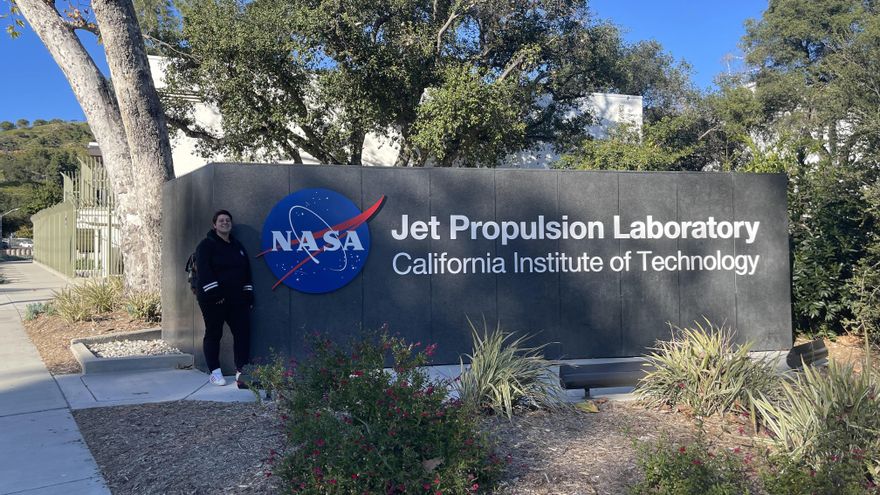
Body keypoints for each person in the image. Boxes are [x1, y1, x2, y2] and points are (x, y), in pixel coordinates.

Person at [195, 209, 254, 388]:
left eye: (227, 220)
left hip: (236, 300)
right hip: (213, 300)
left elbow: (246, 272)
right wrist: (216, 296)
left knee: (242, 333)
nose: (225, 223)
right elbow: (204, 272)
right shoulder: (206, 245)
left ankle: (241, 372)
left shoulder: (238, 246)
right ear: (214, 225)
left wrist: (248, 293)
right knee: (214, 333)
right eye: (221, 220)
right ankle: (215, 372)